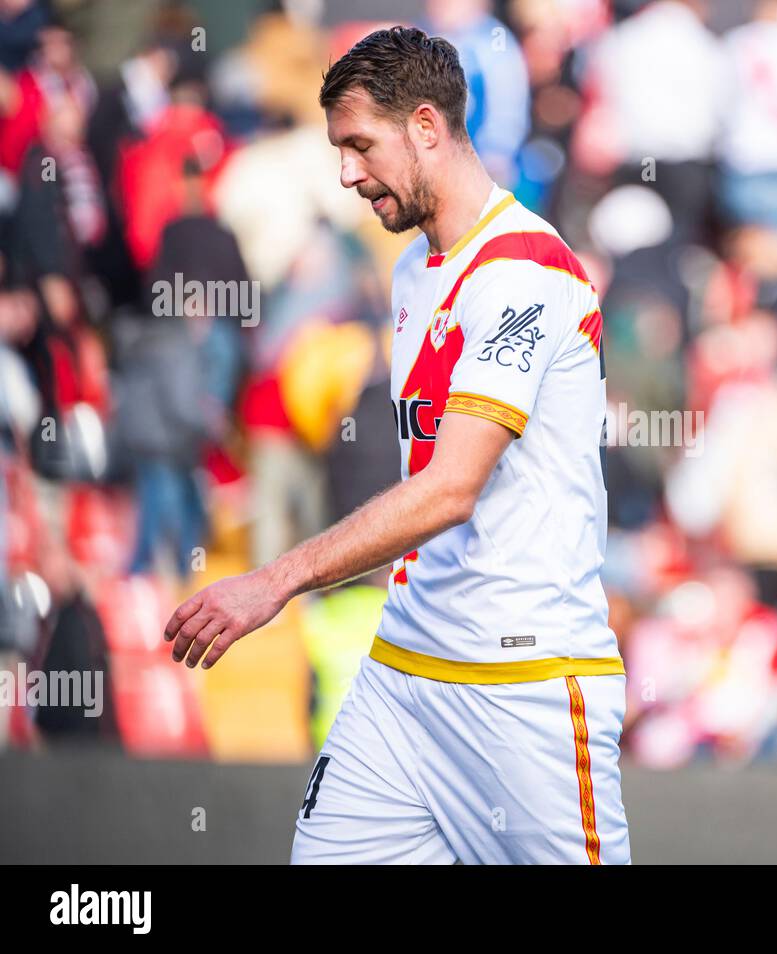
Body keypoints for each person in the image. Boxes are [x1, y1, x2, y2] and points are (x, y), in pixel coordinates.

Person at [163, 26, 627, 864]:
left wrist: (277, 579)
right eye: (338, 149)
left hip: (522, 686)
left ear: (424, 126)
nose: (345, 173)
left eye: (358, 145)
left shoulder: (524, 272)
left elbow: (451, 489)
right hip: (404, 671)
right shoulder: (416, 267)